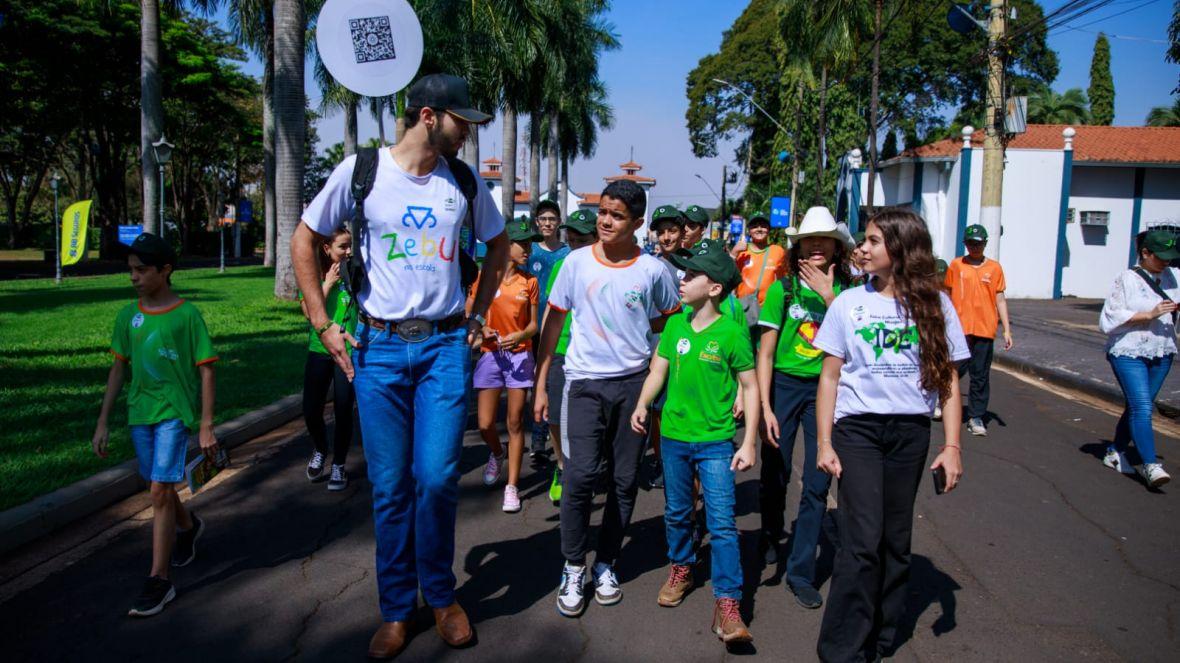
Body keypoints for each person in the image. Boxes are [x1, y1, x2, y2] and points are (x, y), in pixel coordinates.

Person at [294, 73, 508, 658]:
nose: (469, 133)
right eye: (461, 121)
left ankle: (440, 596)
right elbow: (304, 238)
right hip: (379, 349)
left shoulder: (461, 181)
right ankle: (396, 609)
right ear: (426, 115)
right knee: (390, 487)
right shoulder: (362, 172)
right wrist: (323, 321)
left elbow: (497, 241)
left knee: (437, 479)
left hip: (443, 349)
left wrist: (477, 310)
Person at [812, 209, 969, 662]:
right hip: (858, 430)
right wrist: (824, 442)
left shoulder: (935, 305)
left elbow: (949, 383)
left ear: (900, 249)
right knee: (861, 541)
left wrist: (953, 447)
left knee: (895, 541)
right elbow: (829, 378)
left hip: (911, 431)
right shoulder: (847, 303)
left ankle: (881, 636)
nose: (864, 248)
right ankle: (842, 649)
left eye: (874, 241)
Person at [534, 179, 681, 618]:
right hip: (581, 385)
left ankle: (607, 563)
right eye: (602, 211)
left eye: (616, 215)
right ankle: (574, 565)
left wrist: (657, 372)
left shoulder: (654, 271)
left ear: (637, 223)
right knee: (579, 478)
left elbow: (670, 323)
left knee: (621, 482)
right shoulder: (575, 264)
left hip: (633, 387)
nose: (605, 221)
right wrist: (541, 382)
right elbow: (553, 324)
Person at [630, 239, 760, 644]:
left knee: (722, 523)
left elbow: (751, 387)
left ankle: (728, 604)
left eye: (691, 276)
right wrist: (643, 403)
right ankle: (682, 566)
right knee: (677, 512)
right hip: (673, 437)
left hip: (717, 441)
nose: (681, 281)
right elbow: (658, 370)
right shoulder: (674, 325)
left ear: (716, 287)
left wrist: (749, 441)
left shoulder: (733, 332)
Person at [92, 232, 218, 618]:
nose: (133, 277)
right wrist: (103, 422)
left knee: (161, 489)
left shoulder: (187, 315)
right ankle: (188, 527)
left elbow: (207, 370)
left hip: (173, 415)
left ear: (165, 271)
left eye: (141, 270)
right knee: (158, 486)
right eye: (130, 270)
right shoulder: (127, 317)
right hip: (139, 414)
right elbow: (118, 369)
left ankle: (159, 580)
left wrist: (206, 425)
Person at [756, 207, 852, 610]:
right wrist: (764, 406)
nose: (815, 246)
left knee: (817, 481)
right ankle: (770, 534)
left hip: (827, 390)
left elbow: (852, 341)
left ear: (835, 247)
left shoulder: (849, 293)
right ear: (797, 247)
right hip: (784, 385)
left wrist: (830, 296)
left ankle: (800, 572)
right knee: (775, 469)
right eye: (808, 240)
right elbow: (765, 352)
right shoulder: (783, 289)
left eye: (823, 239)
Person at [470, 219, 542, 512]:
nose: (528, 249)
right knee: (485, 423)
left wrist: (520, 335)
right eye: (522, 243)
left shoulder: (531, 282)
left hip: (520, 356)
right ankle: (496, 453)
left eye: (529, 244)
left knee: (514, 423)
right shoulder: (484, 276)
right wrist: (483, 327)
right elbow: (470, 311)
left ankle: (511, 487)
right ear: (506, 245)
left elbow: (534, 326)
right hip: (489, 354)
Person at [1098, 229, 1179, 488]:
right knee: (1143, 407)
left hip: (1162, 350)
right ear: (1145, 253)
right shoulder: (1127, 279)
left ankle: (1115, 451)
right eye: (1161, 256)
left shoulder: (1175, 277)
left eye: (1170, 256)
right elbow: (1109, 319)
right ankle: (1150, 464)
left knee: (1139, 405)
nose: (1166, 262)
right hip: (1128, 351)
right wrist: (1150, 314)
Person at [540, 210, 599, 505]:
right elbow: (552, 313)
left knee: (588, 418)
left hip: (594, 355)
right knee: (554, 415)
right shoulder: (562, 265)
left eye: (582, 240)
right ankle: (562, 466)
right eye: (571, 239)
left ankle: (585, 469)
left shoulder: (606, 267)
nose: (575, 245)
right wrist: (544, 356)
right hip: (562, 350)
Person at [299, 227, 356, 491]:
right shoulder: (316, 275)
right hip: (320, 349)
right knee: (311, 409)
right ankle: (321, 449)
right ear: (327, 248)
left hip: (349, 353)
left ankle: (339, 464)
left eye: (350, 246)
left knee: (344, 409)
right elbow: (309, 312)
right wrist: (327, 284)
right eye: (342, 247)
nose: (348, 252)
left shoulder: (355, 271)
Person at [944, 224, 1013, 436]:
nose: (975, 247)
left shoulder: (994, 268)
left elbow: (1000, 299)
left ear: (985, 244)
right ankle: (943, 402)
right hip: (960, 329)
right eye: (971, 244)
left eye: (979, 244)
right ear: (965, 244)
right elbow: (946, 295)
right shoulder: (956, 266)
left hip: (985, 328)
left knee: (980, 375)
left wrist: (1007, 330)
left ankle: (976, 417)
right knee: (955, 369)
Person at [646, 205, 692, 489]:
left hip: (689, 349)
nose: (666, 237)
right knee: (657, 410)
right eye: (661, 232)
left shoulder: (694, 264)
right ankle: (662, 462)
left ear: (682, 232)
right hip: (657, 348)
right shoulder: (647, 264)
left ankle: (686, 461)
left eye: (671, 231)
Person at [528, 200, 569, 459]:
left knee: (553, 384)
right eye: (543, 218)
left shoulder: (566, 252)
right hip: (531, 325)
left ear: (558, 223)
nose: (547, 223)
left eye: (552, 219)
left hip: (557, 326)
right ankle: (538, 436)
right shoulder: (530, 251)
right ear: (536, 222)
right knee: (536, 382)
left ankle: (551, 433)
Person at [733, 213, 789, 306]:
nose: (759, 229)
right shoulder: (741, 251)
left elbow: (785, 280)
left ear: (769, 230)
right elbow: (727, 276)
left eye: (763, 226)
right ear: (749, 231)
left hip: (768, 308)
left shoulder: (778, 251)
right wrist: (733, 253)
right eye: (755, 227)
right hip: (743, 307)